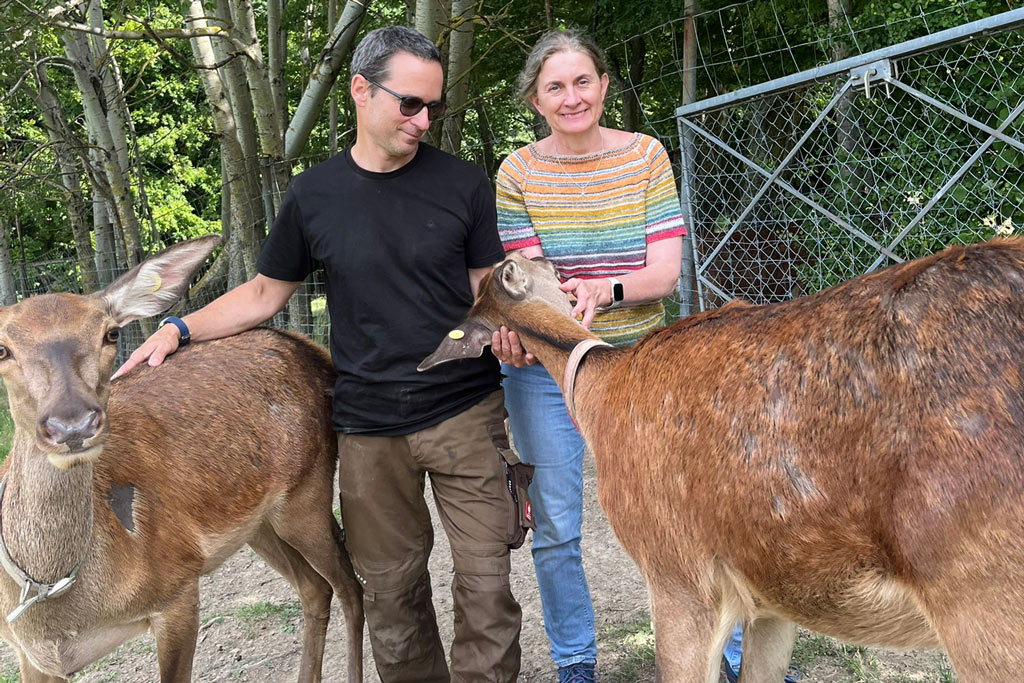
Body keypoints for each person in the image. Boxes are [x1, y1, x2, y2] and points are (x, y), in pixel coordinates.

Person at [114, 25, 522, 683]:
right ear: (361, 90)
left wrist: (515, 327)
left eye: (434, 107)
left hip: (465, 414)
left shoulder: (464, 184)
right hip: (368, 430)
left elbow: (488, 288)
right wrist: (179, 330)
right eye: (410, 104)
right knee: (392, 595)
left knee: (486, 585)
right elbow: (264, 292)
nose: (423, 121)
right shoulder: (314, 195)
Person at [490, 29, 685, 683]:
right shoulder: (517, 172)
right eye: (555, 87)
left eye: (582, 82)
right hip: (552, 367)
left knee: (681, 510)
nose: (571, 97)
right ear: (535, 101)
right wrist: (526, 323)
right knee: (557, 523)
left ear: (603, 87)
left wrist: (610, 287)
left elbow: (666, 272)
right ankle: (575, 663)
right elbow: (525, 278)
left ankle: (729, 652)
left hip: (644, 359)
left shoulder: (647, 156)